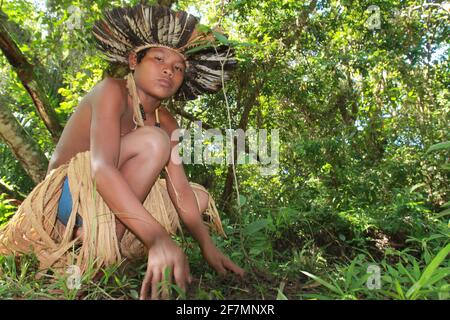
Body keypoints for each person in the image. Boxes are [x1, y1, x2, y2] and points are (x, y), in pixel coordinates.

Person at [0, 4, 244, 300]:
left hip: (110, 204)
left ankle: (102, 252)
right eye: (158, 58)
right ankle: (96, 260)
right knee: (154, 142)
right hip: (69, 199)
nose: (169, 69)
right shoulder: (111, 91)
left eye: (179, 67)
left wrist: (207, 246)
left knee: (198, 197)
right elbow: (102, 169)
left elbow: (179, 189)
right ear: (133, 61)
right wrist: (157, 238)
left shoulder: (167, 121)